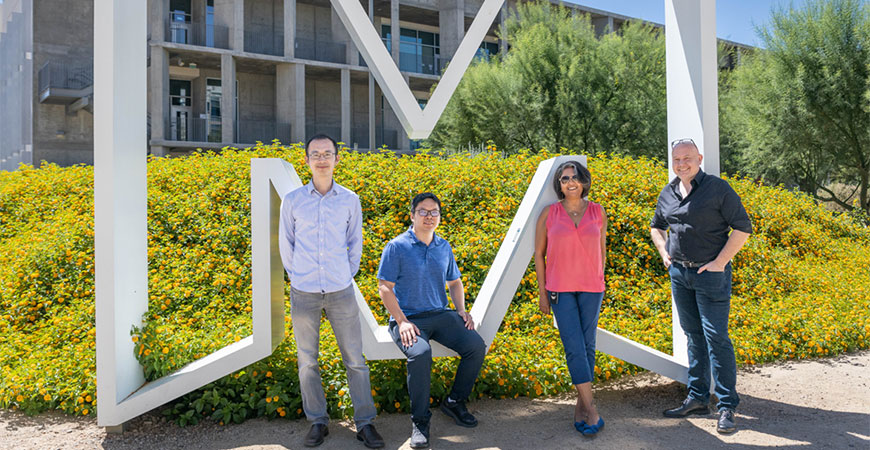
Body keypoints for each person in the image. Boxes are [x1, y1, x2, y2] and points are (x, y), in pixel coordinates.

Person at [278, 134, 384, 448]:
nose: (322, 159)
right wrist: (297, 275)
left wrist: (345, 273)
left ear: (338, 159)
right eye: (316, 154)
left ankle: (365, 423)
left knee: (355, 360)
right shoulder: (294, 200)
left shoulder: (350, 199)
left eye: (328, 153)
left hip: (341, 290)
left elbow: (355, 243)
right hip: (304, 291)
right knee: (307, 361)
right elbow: (287, 244)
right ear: (306, 160)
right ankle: (318, 422)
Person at [650, 138, 752, 434]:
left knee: (716, 337)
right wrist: (663, 252)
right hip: (680, 275)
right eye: (676, 159)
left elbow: (743, 227)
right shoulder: (668, 192)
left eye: (687, 158)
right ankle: (697, 397)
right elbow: (656, 225)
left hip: (711, 276)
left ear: (700, 158)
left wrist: (720, 262)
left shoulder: (719, 189)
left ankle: (727, 406)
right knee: (693, 336)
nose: (681, 164)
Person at [376, 192, 487, 449]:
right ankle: (420, 421)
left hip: (440, 314)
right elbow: (384, 287)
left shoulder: (443, 246)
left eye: (434, 211)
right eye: (423, 211)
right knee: (420, 353)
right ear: (412, 215)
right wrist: (401, 321)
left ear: (439, 216)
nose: (429, 216)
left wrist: (461, 309)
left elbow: (455, 282)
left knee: (475, 346)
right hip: (408, 319)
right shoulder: (397, 246)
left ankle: (454, 402)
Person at [533, 160, 607, 436]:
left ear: (584, 181)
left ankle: (580, 407)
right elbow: (539, 255)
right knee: (574, 347)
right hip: (559, 290)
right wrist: (542, 294)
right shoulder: (548, 214)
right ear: (559, 185)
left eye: (575, 177)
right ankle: (593, 410)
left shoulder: (598, 212)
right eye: (564, 179)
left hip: (592, 288)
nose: (570, 182)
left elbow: (601, 250)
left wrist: (600, 281)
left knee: (588, 346)